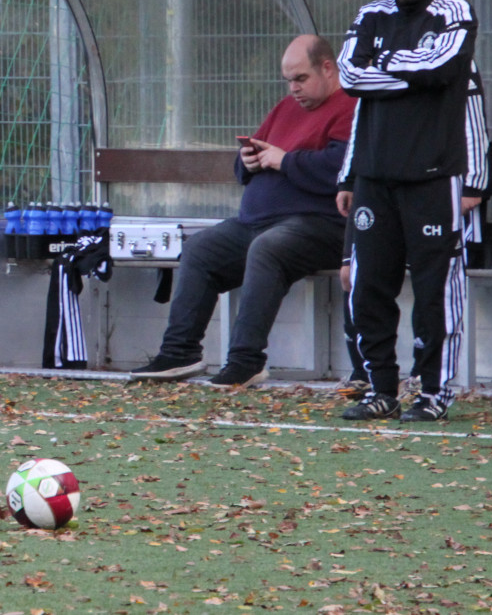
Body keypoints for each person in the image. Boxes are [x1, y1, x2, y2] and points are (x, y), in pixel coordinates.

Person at [130, 34, 356, 388]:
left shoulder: (351, 106)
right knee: (201, 248)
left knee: (268, 249)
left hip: (319, 224)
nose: (293, 89)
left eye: (301, 79)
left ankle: (246, 360)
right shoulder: (286, 108)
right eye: (288, 81)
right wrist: (247, 161)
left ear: (327, 68)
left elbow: (343, 168)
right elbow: (251, 160)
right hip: (257, 222)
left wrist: (286, 161)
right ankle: (180, 352)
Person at [335, 0, 484, 423]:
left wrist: (385, 66)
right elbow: (349, 77)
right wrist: (410, 74)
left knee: (434, 289)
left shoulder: (454, 13)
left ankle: (433, 392)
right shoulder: (369, 15)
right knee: (368, 287)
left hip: (432, 176)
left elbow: (446, 65)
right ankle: (381, 389)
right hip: (375, 178)